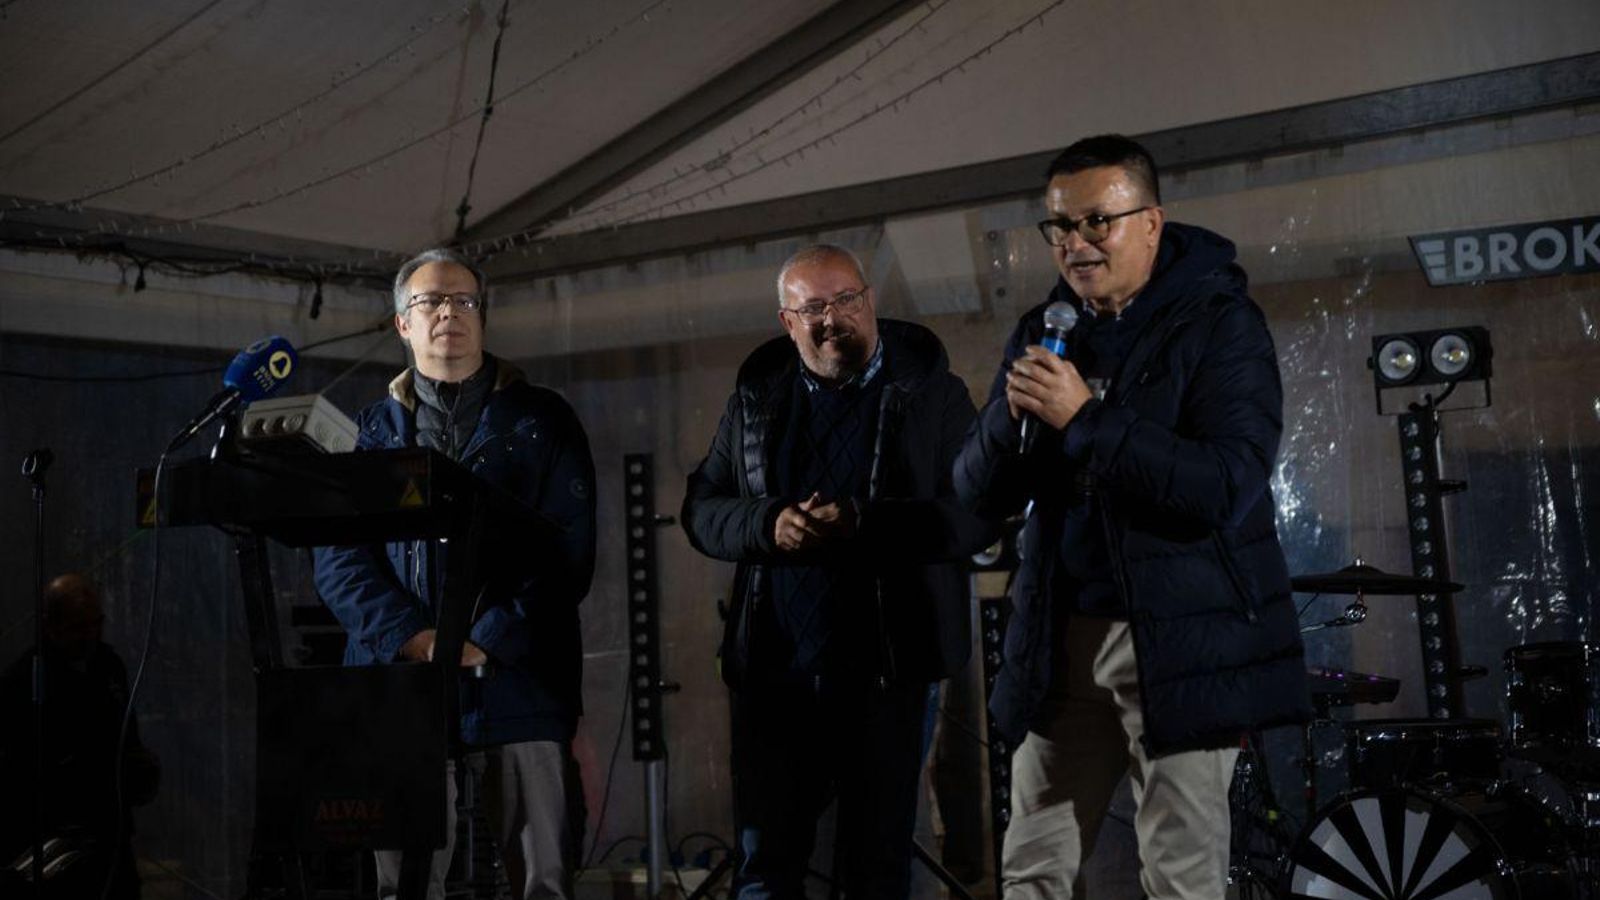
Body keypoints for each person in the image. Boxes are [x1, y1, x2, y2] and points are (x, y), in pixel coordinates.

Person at [953, 135, 1311, 900]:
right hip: (1059, 638)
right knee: (1031, 867)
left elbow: (1225, 485)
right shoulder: (1043, 329)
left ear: (1151, 220)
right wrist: (1002, 426)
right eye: (1059, 227)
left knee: (1179, 876)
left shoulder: (1221, 325)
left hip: (1178, 642)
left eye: (1096, 223)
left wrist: (1086, 418)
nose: (1076, 245)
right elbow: (975, 502)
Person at [682, 243, 994, 900]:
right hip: (776, 672)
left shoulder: (933, 396)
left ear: (870, 302)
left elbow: (973, 516)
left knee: (875, 868)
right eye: (813, 308)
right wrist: (768, 525)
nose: (833, 319)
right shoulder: (754, 403)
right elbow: (701, 511)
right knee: (765, 866)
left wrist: (864, 522)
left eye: (846, 300)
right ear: (786, 320)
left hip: (888, 670)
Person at [313, 248, 596, 900]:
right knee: (402, 886)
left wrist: (487, 640)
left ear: (483, 317)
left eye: (463, 300)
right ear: (401, 325)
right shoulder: (369, 433)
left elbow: (568, 552)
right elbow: (338, 559)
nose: (448, 313)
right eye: (429, 302)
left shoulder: (542, 422)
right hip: (401, 684)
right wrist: (416, 637)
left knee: (542, 882)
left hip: (520, 682)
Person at [0, 573, 160, 900]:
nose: (90, 634)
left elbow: (126, 735)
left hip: (110, 833)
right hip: (55, 838)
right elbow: (18, 768)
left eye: (96, 623)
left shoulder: (109, 666)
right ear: (51, 626)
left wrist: (137, 767)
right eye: (79, 626)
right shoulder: (27, 681)